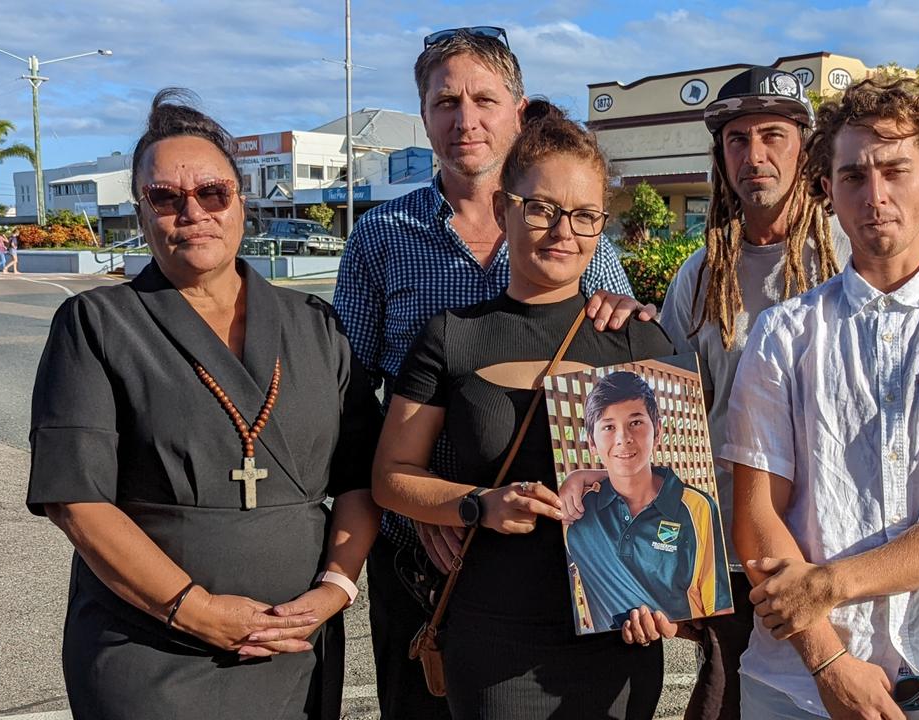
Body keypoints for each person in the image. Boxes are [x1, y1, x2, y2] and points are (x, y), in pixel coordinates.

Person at [26, 88, 382, 720]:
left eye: (212, 193)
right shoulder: (97, 324)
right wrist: (197, 610)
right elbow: (75, 499)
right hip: (149, 650)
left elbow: (360, 477)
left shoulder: (313, 325)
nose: (192, 212)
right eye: (165, 197)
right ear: (141, 211)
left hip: (291, 646)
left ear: (241, 200)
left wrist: (335, 588)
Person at [334, 27, 648, 720]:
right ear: (424, 114)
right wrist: (426, 512)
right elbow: (351, 401)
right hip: (419, 556)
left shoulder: (572, 232)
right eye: (445, 101)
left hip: (551, 561)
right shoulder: (380, 238)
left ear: (518, 109)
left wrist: (632, 315)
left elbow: (615, 358)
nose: (464, 119)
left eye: (483, 98)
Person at [723, 76, 919, 720]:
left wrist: (830, 585)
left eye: (895, 169)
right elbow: (757, 516)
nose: (875, 196)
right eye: (851, 176)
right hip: (794, 682)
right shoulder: (784, 333)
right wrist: (829, 662)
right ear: (827, 189)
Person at [656, 65, 850, 720]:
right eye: (736, 140)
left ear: (807, 149)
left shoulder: (852, 262)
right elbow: (671, 420)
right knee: (722, 703)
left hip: (837, 548)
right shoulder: (701, 273)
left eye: (772, 135)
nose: (753, 155)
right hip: (733, 552)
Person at [561, 370, 732, 633]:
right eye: (608, 427)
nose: (623, 437)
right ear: (592, 444)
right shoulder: (577, 512)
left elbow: (719, 606)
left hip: (678, 656)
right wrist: (578, 476)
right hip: (602, 659)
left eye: (636, 423)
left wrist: (679, 639)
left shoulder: (697, 508)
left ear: (659, 430)